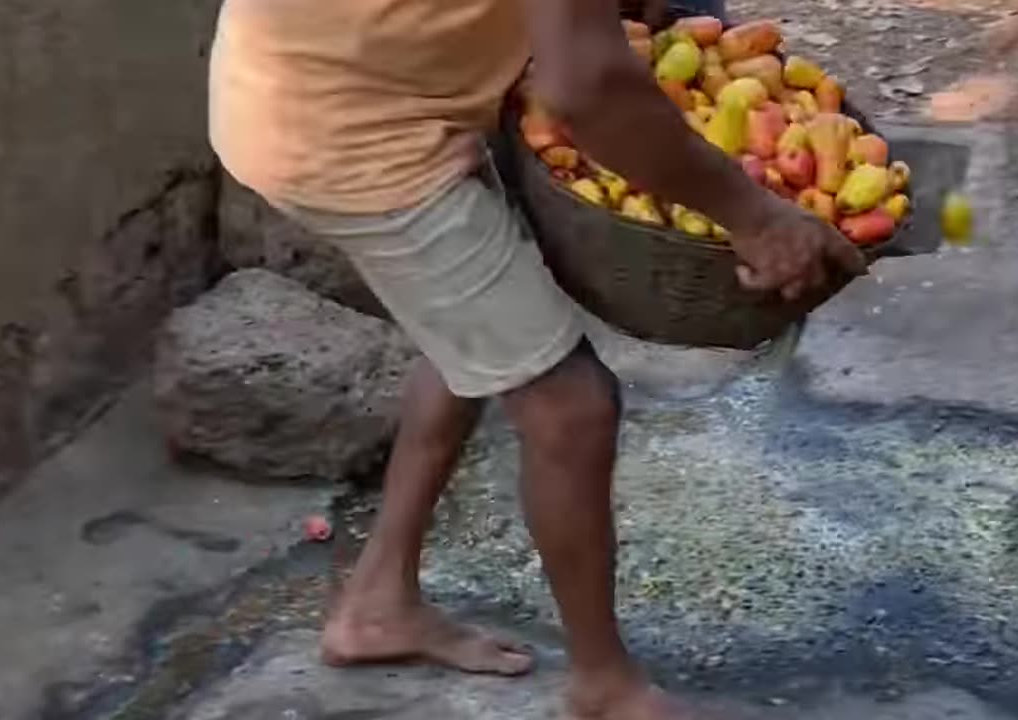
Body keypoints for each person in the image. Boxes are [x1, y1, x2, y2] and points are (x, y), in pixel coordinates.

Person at [208, 0, 866, 717]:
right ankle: (603, 687)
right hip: (355, 138)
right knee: (571, 409)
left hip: (323, 90)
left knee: (475, 329)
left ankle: (376, 600)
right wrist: (757, 215)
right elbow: (586, 87)